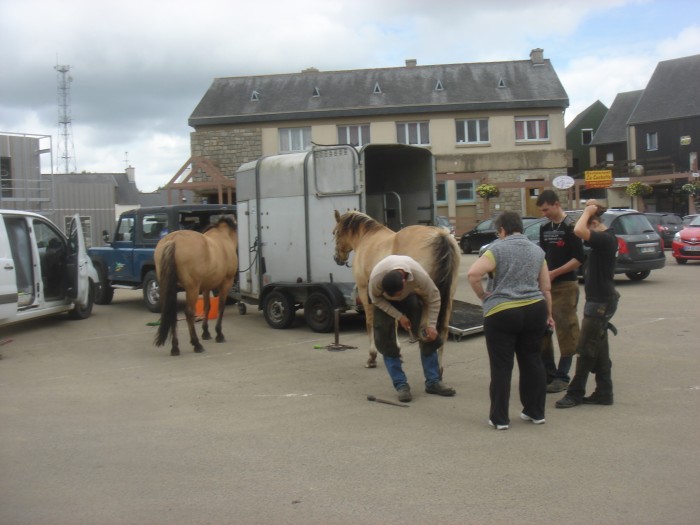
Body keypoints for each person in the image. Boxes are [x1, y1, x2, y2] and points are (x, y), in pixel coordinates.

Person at [467, 211, 553, 430]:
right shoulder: (538, 251)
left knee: (502, 367)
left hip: (503, 312)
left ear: (502, 230)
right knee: (532, 361)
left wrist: (482, 296)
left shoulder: (497, 248)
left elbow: (473, 274)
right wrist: (549, 315)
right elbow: (546, 287)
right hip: (535, 310)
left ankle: (500, 418)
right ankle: (535, 412)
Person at [556, 200, 619, 408]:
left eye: (588, 221)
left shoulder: (606, 239)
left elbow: (578, 230)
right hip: (598, 300)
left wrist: (588, 211)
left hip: (601, 302)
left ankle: (575, 393)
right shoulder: (603, 239)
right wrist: (589, 209)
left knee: (585, 348)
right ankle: (604, 391)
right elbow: (581, 229)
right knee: (599, 348)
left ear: (594, 223)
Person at [368, 255, 456, 403]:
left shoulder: (418, 274)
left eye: (397, 294)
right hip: (383, 303)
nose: (396, 297)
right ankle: (401, 385)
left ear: (404, 280)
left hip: (409, 297)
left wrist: (432, 325)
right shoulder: (376, 278)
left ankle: (433, 381)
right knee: (385, 341)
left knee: (426, 334)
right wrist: (399, 316)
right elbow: (376, 299)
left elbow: (434, 296)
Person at [536, 190, 586, 393]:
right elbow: (542, 255)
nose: (544, 213)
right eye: (542, 211)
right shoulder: (544, 227)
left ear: (556, 204)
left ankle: (563, 376)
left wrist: (555, 273)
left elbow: (579, 258)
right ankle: (549, 373)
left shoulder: (571, 227)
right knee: (543, 329)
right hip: (546, 286)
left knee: (566, 329)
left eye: (546, 209)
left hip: (565, 285)